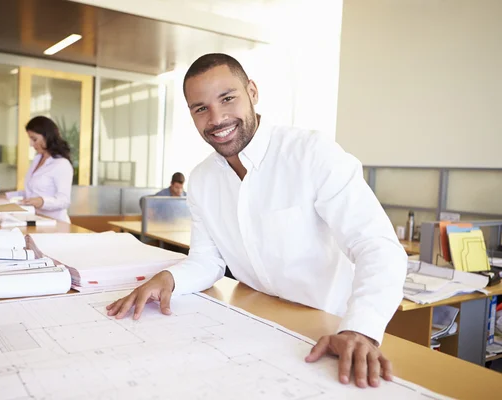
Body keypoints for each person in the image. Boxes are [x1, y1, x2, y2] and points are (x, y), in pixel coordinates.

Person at [106, 53, 407, 389]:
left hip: (332, 327)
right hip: (257, 327)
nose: (217, 118)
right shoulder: (203, 179)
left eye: (227, 98)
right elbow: (208, 261)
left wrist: (359, 329)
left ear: (252, 91)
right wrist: (169, 279)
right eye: (200, 108)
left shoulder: (312, 153)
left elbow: (376, 246)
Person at [6, 116, 74, 223]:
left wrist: (42, 201)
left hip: (57, 223)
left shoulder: (61, 164)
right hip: (38, 220)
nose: (31, 144)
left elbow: (64, 200)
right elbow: (32, 192)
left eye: (34, 139)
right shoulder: (37, 159)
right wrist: (5, 196)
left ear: (47, 136)